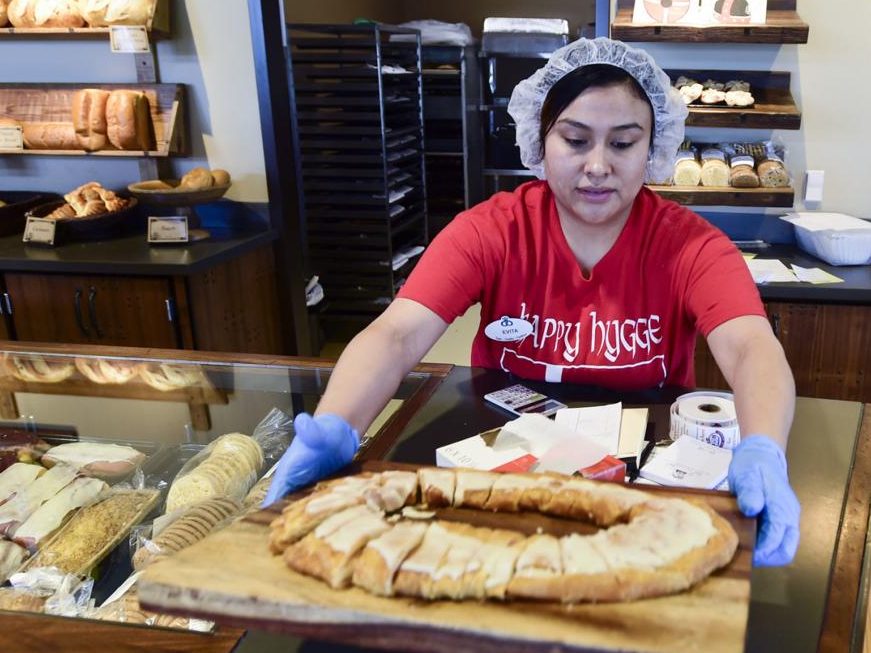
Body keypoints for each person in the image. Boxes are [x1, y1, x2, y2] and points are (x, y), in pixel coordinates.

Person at [265, 38, 800, 566]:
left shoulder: (690, 244)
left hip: (642, 492)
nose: (596, 166)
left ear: (654, 148)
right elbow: (397, 333)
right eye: (575, 139)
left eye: (622, 143)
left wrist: (764, 449)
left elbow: (751, 345)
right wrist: (339, 424)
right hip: (498, 478)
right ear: (539, 140)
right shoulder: (491, 230)